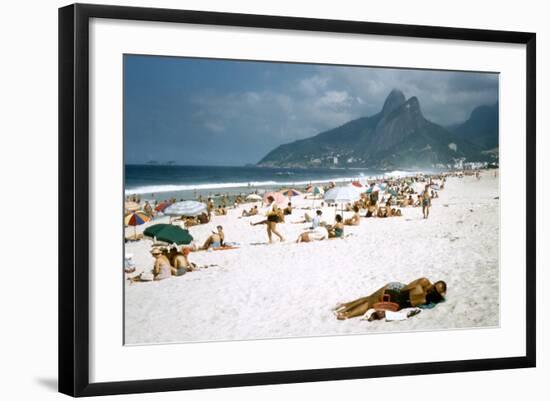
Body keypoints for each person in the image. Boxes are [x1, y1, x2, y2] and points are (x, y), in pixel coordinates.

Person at [334, 278, 447, 320]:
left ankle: (346, 312)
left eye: (435, 291)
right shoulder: (425, 288)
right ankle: (346, 308)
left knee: (369, 301)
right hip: (397, 292)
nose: (432, 290)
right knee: (369, 299)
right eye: (434, 288)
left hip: (396, 293)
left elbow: (407, 292)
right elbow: (407, 289)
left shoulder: (426, 293)